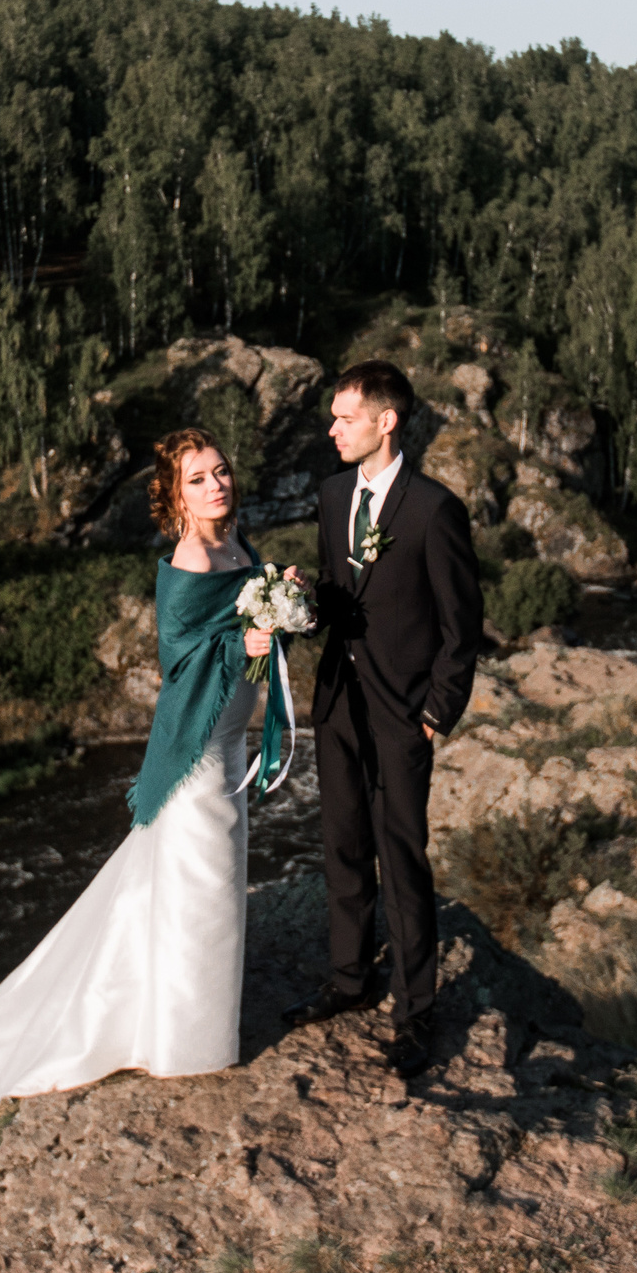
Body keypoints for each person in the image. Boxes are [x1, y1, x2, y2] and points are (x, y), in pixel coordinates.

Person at [0, 429, 269, 1107]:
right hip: (196, 744)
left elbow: (251, 603)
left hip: (231, 736)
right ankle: (189, 1040)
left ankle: (189, 1016)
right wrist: (243, 640)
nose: (217, 484)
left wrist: (279, 601)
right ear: (175, 495)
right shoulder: (189, 558)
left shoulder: (238, 539)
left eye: (221, 471)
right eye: (198, 479)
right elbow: (182, 660)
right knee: (203, 882)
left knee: (210, 876)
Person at [282, 359, 483, 1077]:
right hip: (338, 703)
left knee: (402, 861)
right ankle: (348, 979)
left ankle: (417, 1013)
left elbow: (464, 629)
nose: (332, 429)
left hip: (403, 714)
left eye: (344, 418)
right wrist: (297, 605)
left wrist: (435, 713)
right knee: (341, 845)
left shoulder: (434, 510)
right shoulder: (333, 495)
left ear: (385, 421)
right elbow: (342, 599)